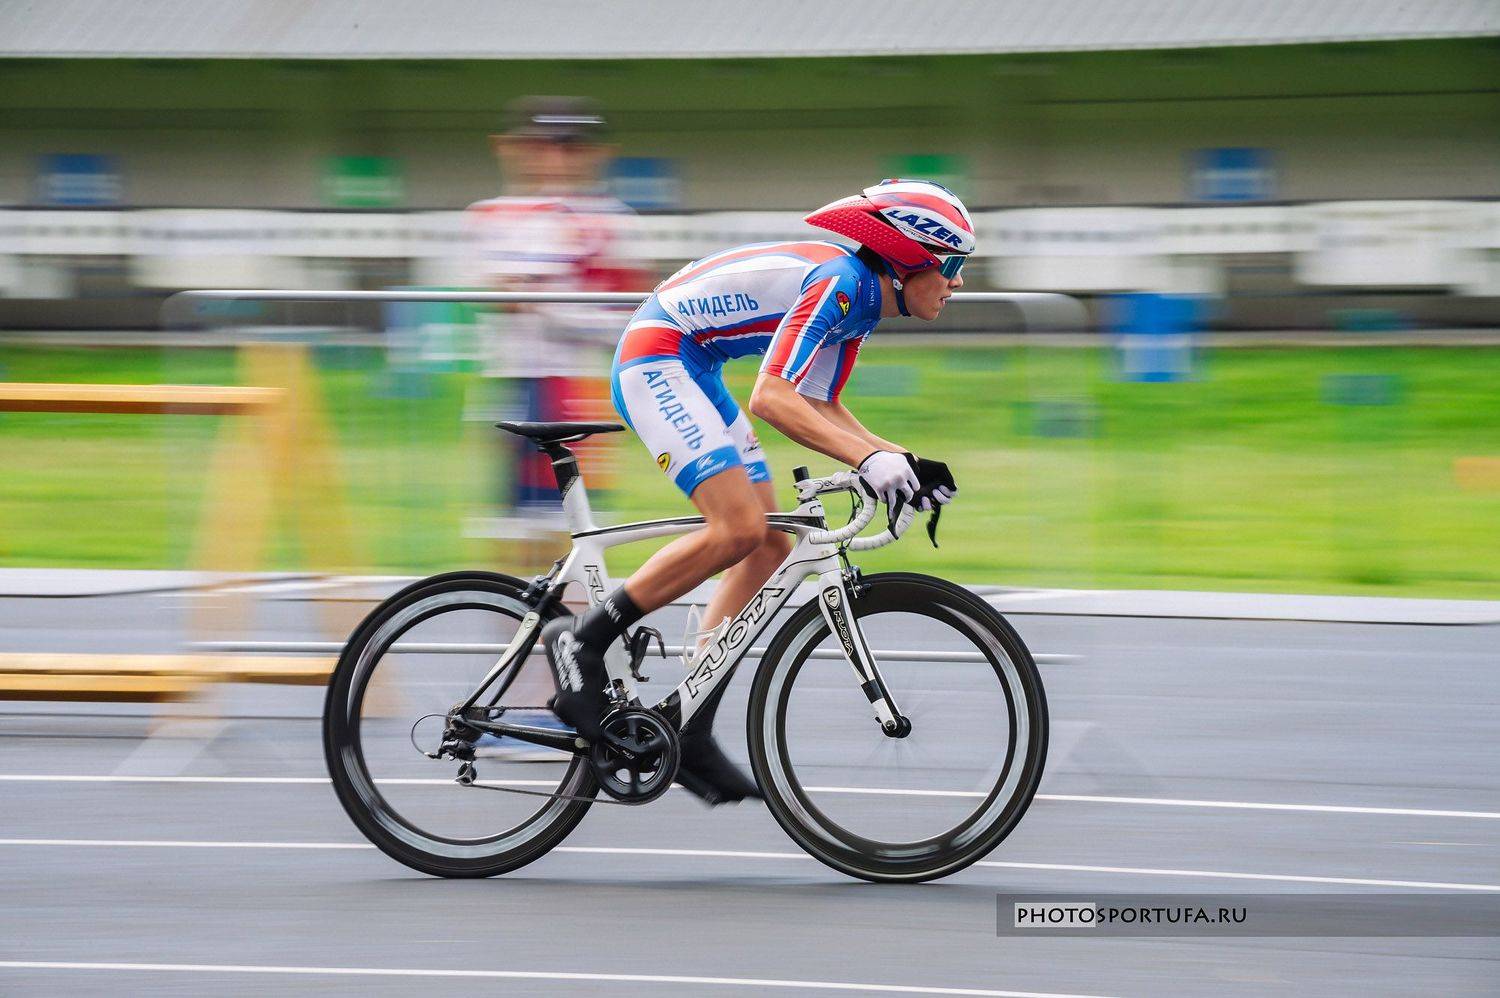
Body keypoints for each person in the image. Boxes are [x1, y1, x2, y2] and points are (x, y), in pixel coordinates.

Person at [544, 179, 971, 804]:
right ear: (908, 259)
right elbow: (772, 398)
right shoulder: (840, 283)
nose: (957, 283)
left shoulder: (862, 301)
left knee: (768, 545)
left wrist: (900, 459)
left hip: (696, 366)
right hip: (657, 358)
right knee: (738, 528)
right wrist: (869, 459)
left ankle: (689, 720)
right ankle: (583, 639)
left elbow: (820, 403)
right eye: (951, 266)